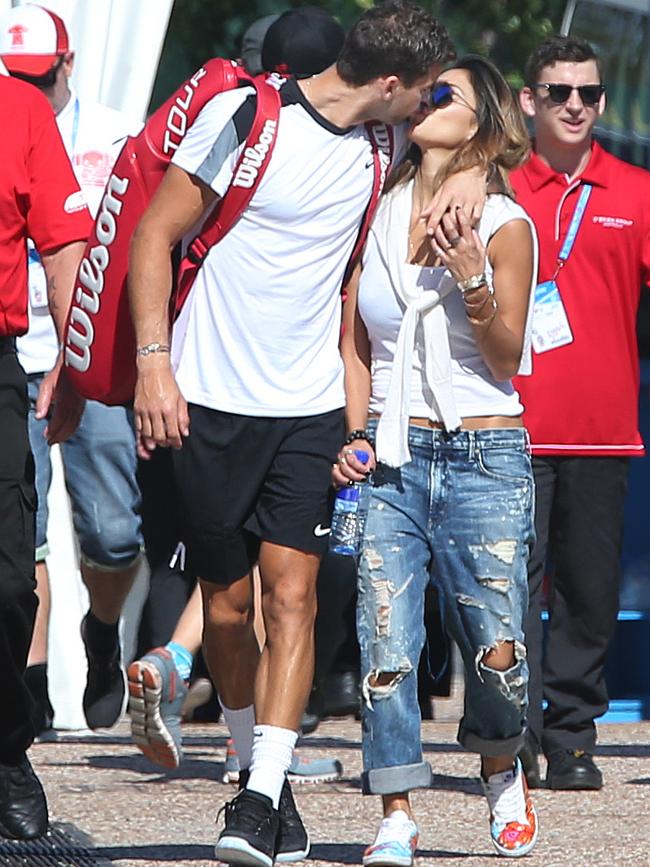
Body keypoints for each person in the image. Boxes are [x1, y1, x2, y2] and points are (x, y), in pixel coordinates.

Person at [128, 2, 482, 864]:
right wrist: (152, 364)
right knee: (227, 603)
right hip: (207, 397)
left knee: (294, 597)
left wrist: (471, 173)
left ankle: (253, 800)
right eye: (420, 90)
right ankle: (265, 776)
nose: (427, 103)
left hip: (311, 406)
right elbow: (154, 234)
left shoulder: (383, 142)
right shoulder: (248, 117)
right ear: (390, 84)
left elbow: (481, 117)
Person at [334, 55, 539, 861]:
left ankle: (500, 769)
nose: (426, 100)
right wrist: (354, 433)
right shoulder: (378, 210)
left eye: (443, 93)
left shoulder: (503, 223)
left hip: (485, 451)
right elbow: (356, 340)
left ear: (481, 116)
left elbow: (506, 352)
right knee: (385, 643)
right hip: (391, 452)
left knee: (497, 645)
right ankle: (396, 814)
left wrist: (473, 279)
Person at [0, 2, 144, 735]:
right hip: (11, 351)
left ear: (69, 65)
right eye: (14, 76)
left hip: (86, 352)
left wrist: (94, 355)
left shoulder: (118, 135)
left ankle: (102, 628)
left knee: (115, 533)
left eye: (41, 77)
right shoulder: (8, 119)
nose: (29, 89)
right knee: (19, 541)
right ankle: (26, 699)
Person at [511, 36, 650, 791]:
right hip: (507, 430)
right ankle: (514, 734)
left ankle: (570, 737)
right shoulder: (495, 187)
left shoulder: (635, 190)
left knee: (589, 596)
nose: (575, 105)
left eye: (590, 94)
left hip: (602, 433)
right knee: (506, 589)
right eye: (559, 91)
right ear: (529, 100)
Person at [0, 71, 90, 839]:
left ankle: (4, 744)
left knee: (6, 580)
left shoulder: (20, 107)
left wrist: (72, 362)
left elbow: (64, 246)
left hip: (2, 364)